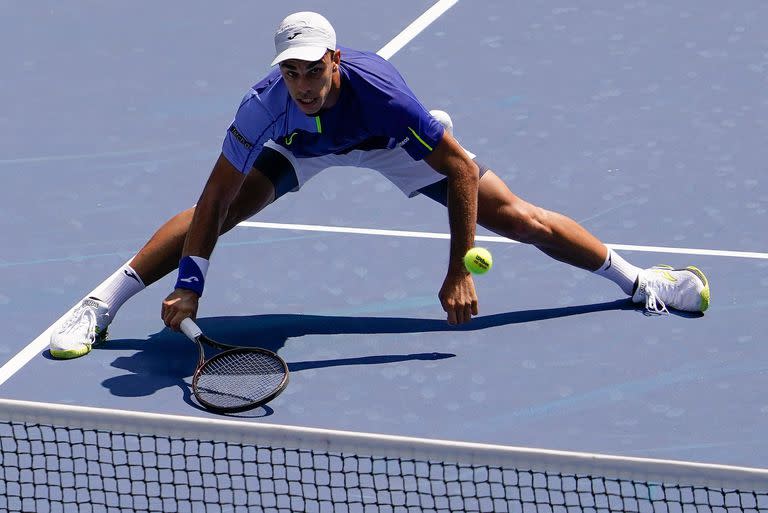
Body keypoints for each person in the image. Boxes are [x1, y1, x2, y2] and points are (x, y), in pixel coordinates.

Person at [49, 12, 710, 359]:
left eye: (311, 69)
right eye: (291, 72)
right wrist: (189, 284)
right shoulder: (265, 106)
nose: (301, 82)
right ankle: (100, 305)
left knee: (519, 218)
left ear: (334, 61)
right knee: (214, 213)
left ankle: (642, 282)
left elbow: (454, 169)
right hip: (300, 149)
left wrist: (458, 269)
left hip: (387, 146)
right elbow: (216, 191)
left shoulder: (385, 97)